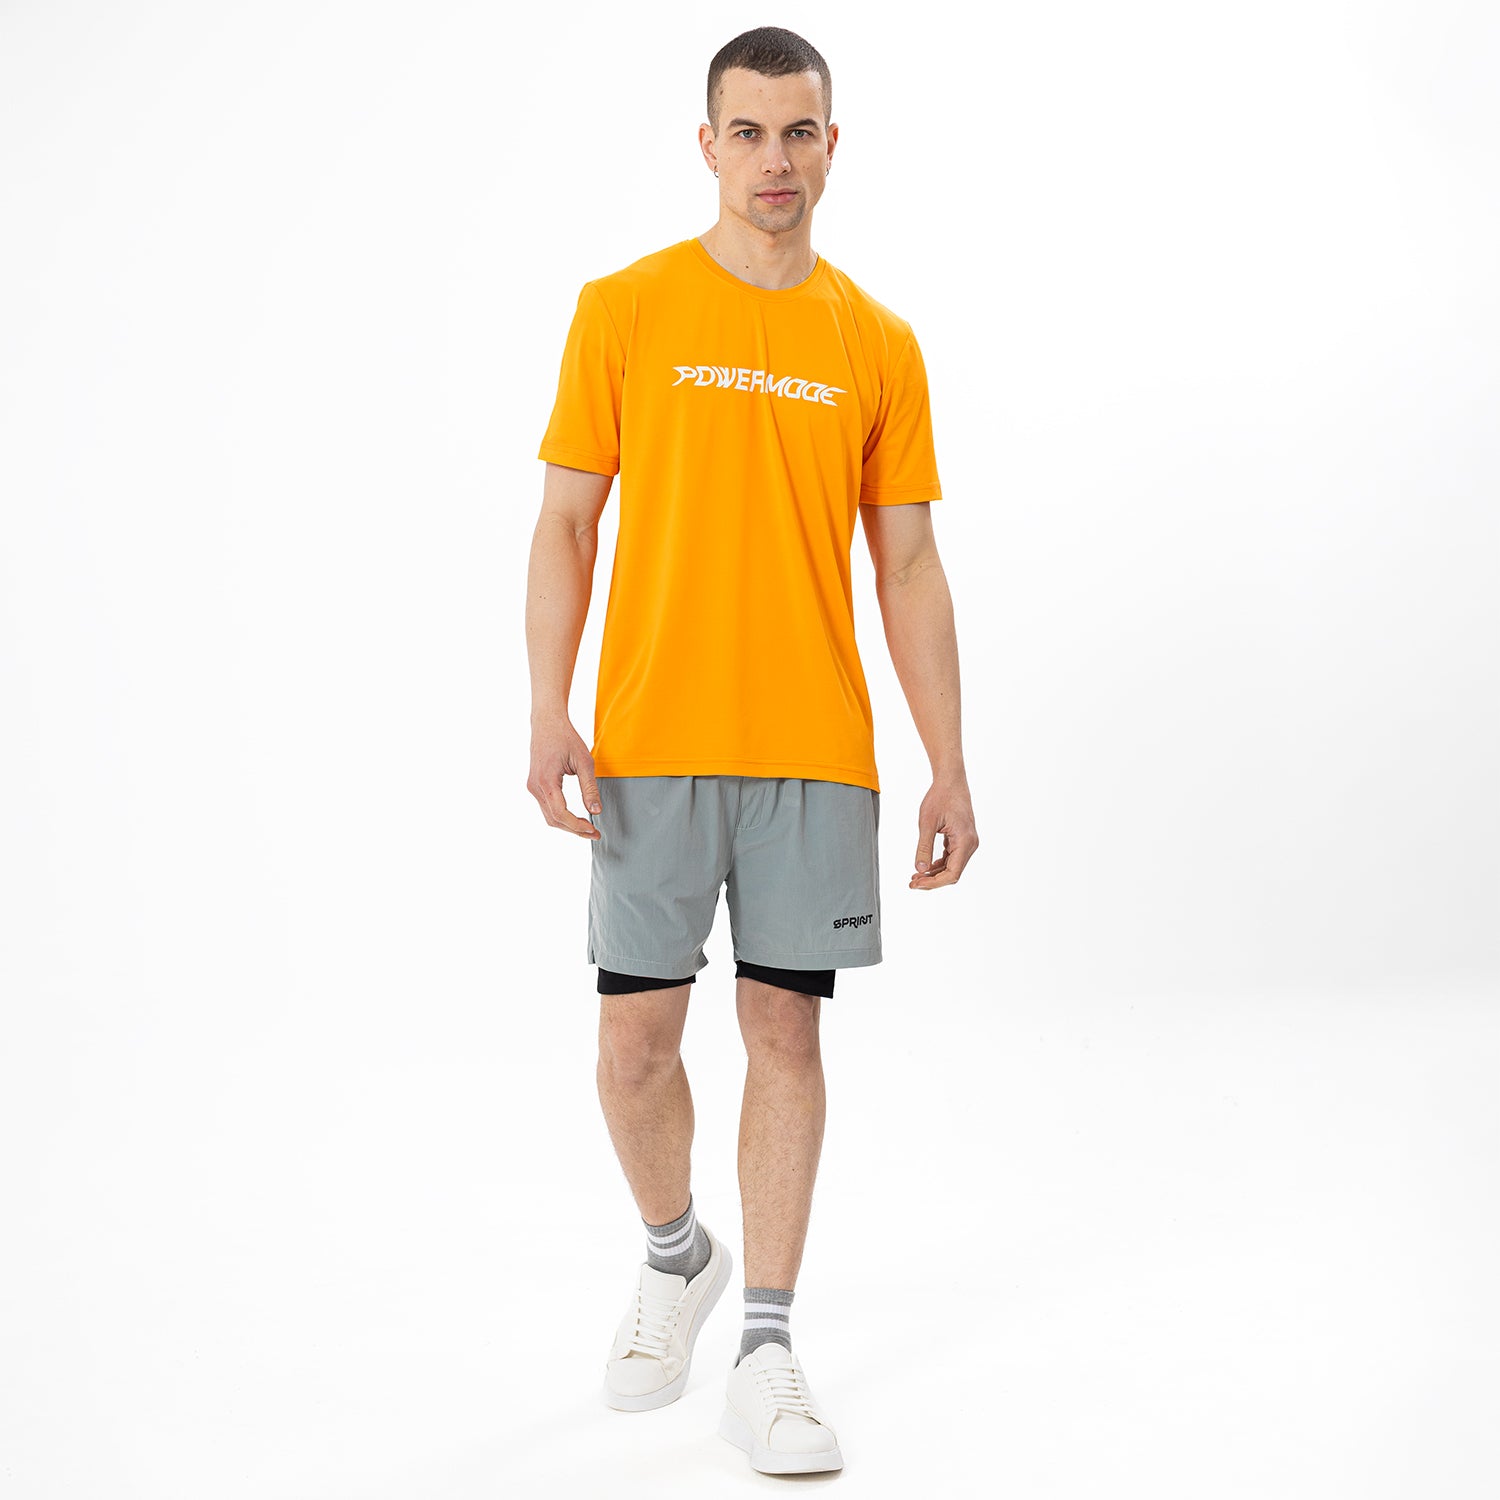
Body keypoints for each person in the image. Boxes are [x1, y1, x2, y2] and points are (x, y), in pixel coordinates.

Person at [525, 25, 977, 1476]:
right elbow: (567, 522)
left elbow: (909, 564)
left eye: (799, 133)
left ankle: (767, 1349)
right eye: (748, 132)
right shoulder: (624, 310)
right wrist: (548, 708)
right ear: (707, 144)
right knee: (633, 1046)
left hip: (812, 753)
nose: (774, 160)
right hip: (652, 741)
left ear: (832, 147)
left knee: (786, 1034)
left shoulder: (877, 343)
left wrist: (947, 760)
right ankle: (677, 1256)